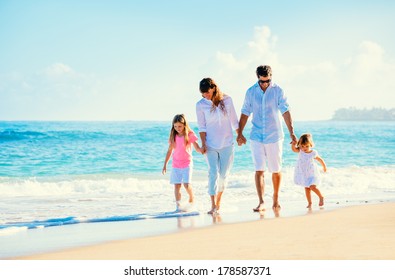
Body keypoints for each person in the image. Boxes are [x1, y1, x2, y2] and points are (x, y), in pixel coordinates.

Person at [237, 65, 297, 211]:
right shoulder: (251, 92)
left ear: (271, 77)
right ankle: (261, 202)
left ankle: (275, 200)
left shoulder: (278, 91)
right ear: (257, 77)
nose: (265, 84)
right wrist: (239, 133)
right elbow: (245, 112)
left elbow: (285, 111)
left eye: (268, 81)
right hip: (256, 136)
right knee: (259, 169)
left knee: (276, 170)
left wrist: (292, 132)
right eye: (262, 81)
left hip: (274, 136)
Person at [196, 78, 239, 214]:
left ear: (213, 88)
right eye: (203, 94)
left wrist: (240, 135)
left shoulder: (227, 100)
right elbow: (202, 126)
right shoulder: (200, 105)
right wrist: (203, 144)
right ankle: (213, 205)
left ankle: (219, 201)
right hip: (210, 145)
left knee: (223, 175)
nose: (205, 96)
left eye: (207, 93)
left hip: (227, 143)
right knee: (213, 173)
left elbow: (234, 120)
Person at [162, 114, 202, 212]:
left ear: (184, 125)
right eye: (175, 126)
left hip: (187, 163)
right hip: (176, 165)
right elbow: (169, 151)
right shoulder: (173, 136)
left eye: (179, 126)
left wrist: (202, 150)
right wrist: (165, 164)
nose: (177, 128)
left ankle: (192, 198)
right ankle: (178, 207)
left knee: (186, 184)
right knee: (177, 185)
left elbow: (196, 147)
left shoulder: (189, 134)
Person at [291, 133, 327, 208]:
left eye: (307, 146)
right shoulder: (300, 151)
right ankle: (310, 203)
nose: (304, 148)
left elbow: (319, 159)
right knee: (307, 188)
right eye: (302, 146)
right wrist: (293, 144)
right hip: (304, 173)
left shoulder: (313, 153)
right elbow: (294, 149)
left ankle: (321, 197)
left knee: (312, 187)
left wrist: (324, 166)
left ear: (311, 145)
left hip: (312, 173)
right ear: (300, 145)